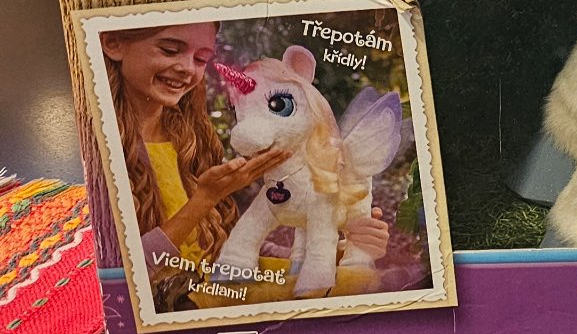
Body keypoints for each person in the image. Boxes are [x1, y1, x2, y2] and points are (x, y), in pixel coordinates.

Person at [102, 22, 389, 305]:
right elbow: (122, 278)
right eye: (169, 50)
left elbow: (226, 245)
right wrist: (205, 199)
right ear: (114, 43)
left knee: (357, 280)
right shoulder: (104, 155)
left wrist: (348, 246)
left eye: (201, 59)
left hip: (218, 288)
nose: (188, 68)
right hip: (175, 304)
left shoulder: (192, 140)